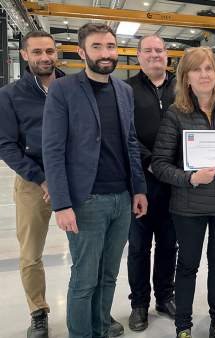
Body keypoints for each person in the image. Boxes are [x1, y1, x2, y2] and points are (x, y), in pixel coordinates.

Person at [42, 23, 148, 338]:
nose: (106, 53)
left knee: (109, 277)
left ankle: (100, 329)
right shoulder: (63, 89)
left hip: (121, 199)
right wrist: (61, 204)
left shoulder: (124, 90)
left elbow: (130, 142)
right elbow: (52, 148)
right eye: (98, 47)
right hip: (86, 201)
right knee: (84, 279)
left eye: (111, 47)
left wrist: (138, 188)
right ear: (82, 52)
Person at [151, 46, 215, 338]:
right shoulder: (176, 115)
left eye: (208, 68)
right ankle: (183, 326)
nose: (204, 74)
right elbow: (159, 164)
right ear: (186, 77)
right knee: (187, 266)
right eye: (196, 69)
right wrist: (191, 178)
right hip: (188, 207)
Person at [0, 30, 65, 338]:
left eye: (49, 51)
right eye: (37, 52)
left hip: (72, 179)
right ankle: (38, 312)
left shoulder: (74, 87)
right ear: (24, 55)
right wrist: (41, 178)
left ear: (57, 53)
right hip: (32, 182)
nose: (45, 57)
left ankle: (91, 306)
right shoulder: (10, 95)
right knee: (31, 253)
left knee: (87, 249)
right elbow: (6, 144)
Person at [124, 34, 178, 331]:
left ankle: (165, 296)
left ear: (166, 54)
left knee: (169, 242)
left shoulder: (183, 87)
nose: (154, 55)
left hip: (174, 181)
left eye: (159, 50)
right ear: (138, 55)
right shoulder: (125, 89)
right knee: (139, 246)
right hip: (140, 180)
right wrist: (150, 162)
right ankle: (139, 303)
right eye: (148, 50)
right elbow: (125, 133)